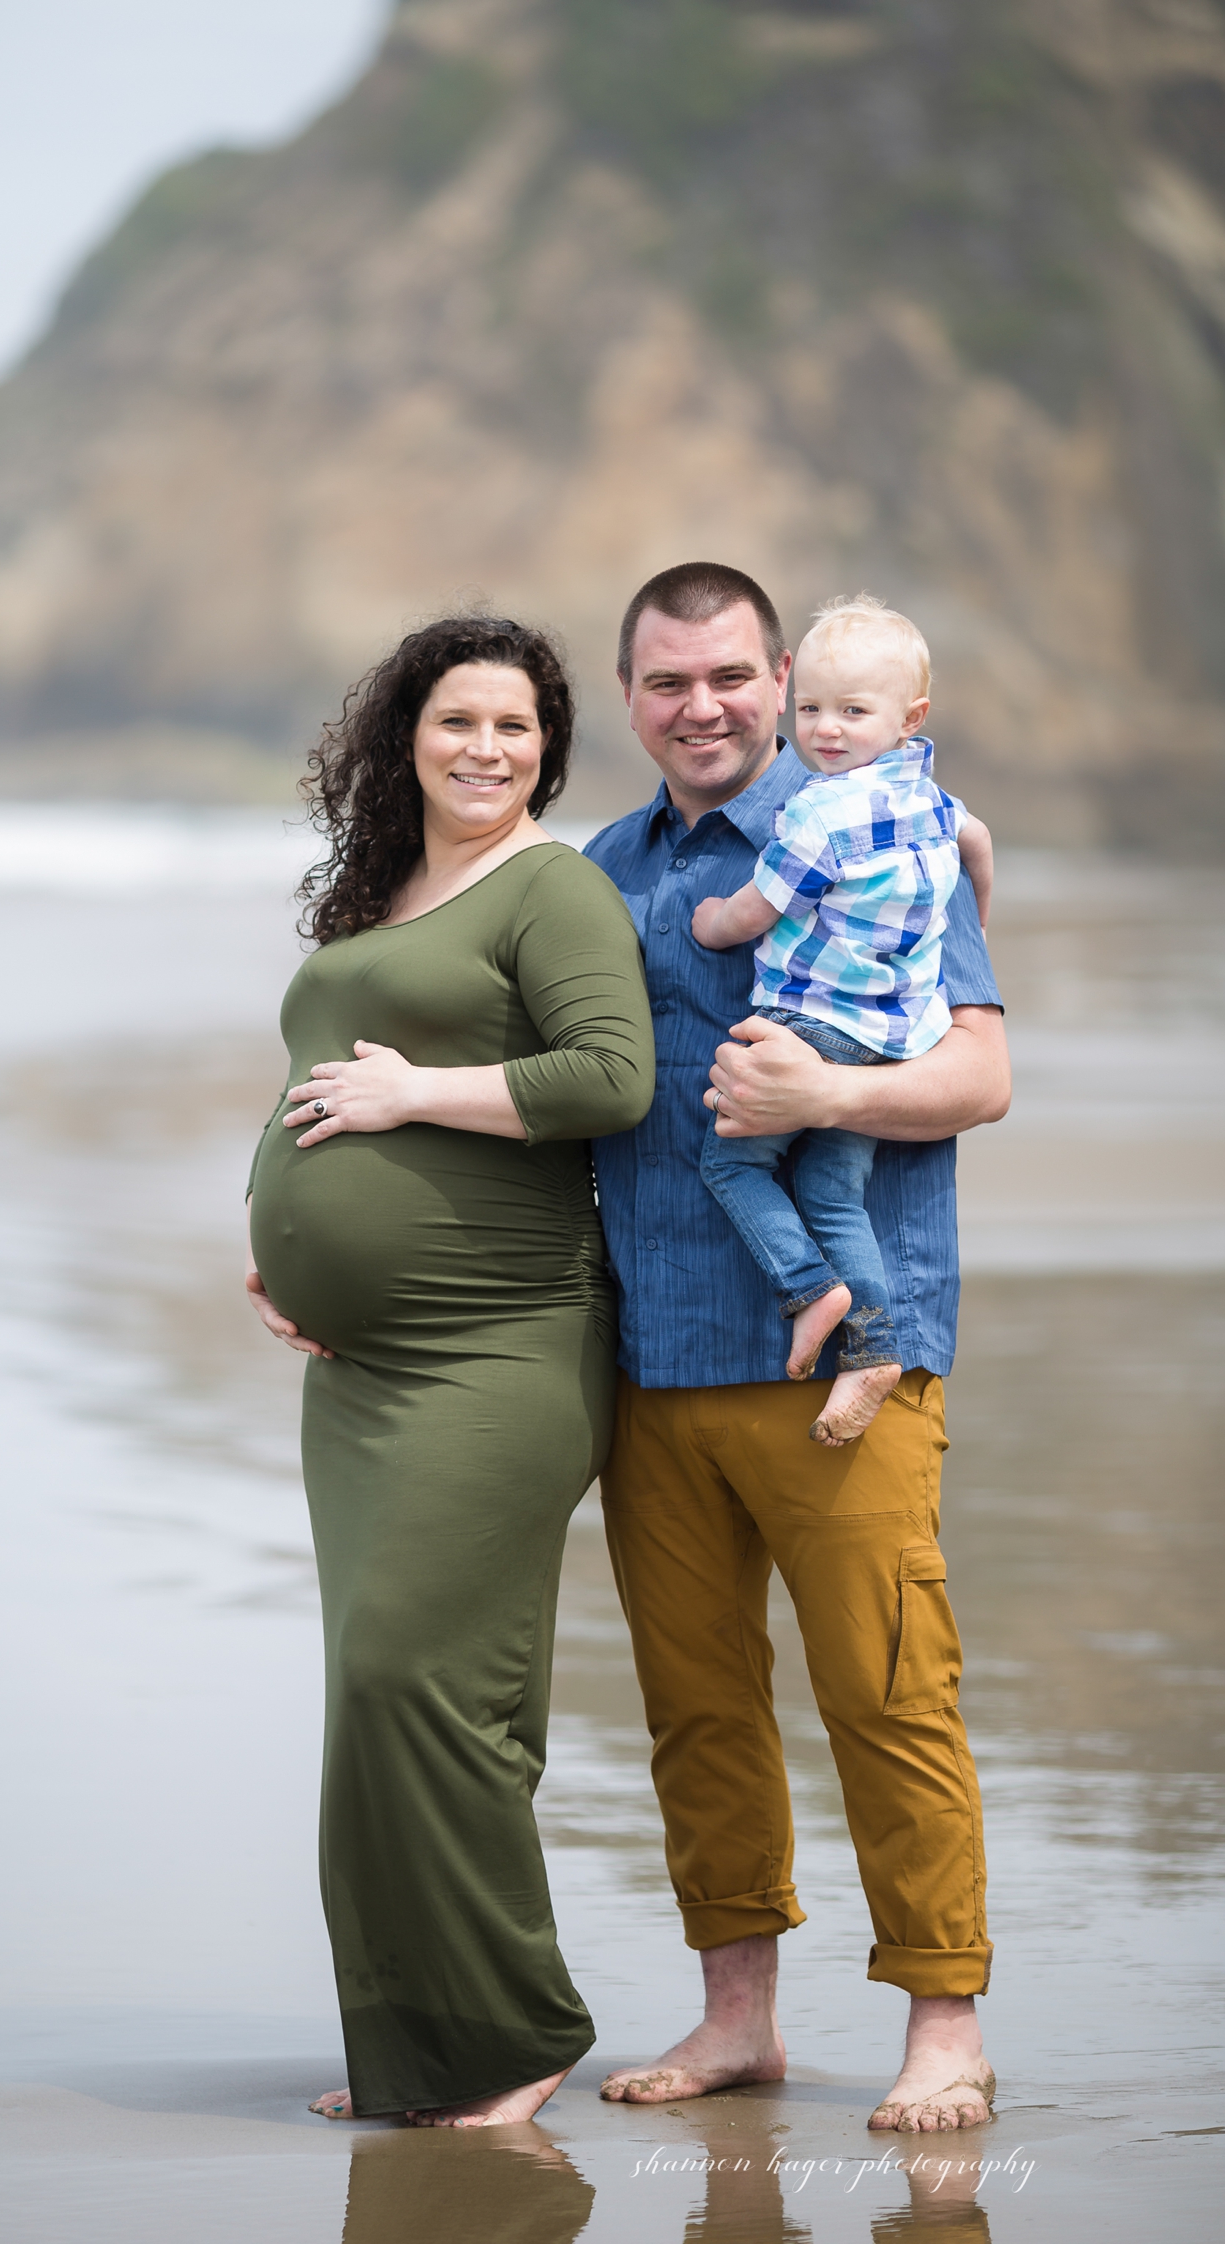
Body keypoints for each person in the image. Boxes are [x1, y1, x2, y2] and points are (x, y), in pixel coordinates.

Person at [583, 562, 1009, 2135]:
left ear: (781, 686)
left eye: (729, 678)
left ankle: (945, 2027)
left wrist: (825, 1097)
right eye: (667, 681)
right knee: (696, 1711)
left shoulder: (888, 829)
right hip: (655, 1359)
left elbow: (980, 1075)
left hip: (849, 1360)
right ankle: (737, 2020)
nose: (701, 707)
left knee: (888, 1692)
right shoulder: (601, 871)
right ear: (631, 697)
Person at [243, 615, 654, 2127]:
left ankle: (514, 2034)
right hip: (358, 1371)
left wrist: (417, 1093)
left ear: (550, 750)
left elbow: (612, 1076)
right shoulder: (381, 895)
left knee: (428, 1683)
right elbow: (316, 1086)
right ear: (403, 738)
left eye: (516, 726)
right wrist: (277, 1241)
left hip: (501, 1344)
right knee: (369, 1694)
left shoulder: (554, 888)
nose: (487, 748)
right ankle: (412, 2048)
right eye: (457, 721)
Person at [691, 593, 995, 1447]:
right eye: (812, 709)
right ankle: (872, 1348)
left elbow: (756, 909)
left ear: (909, 718)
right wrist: (977, 911)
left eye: (852, 712)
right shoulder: (934, 802)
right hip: (888, 1043)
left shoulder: (817, 810)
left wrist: (709, 923)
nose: (825, 730)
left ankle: (809, 1288)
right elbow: (979, 844)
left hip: (812, 1025)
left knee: (730, 1165)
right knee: (832, 1192)